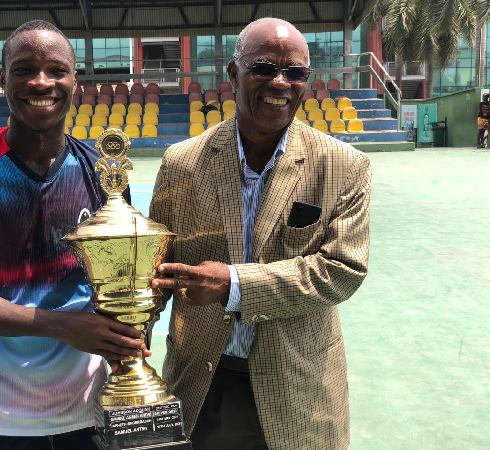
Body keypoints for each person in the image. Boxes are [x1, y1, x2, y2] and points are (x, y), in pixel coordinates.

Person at [0, 20, 149, 450]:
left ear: (75, 81)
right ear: (2, 78)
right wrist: (64, 326)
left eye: (56, 70)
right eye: (24, 69)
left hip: (90, 414)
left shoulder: (106, 173)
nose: (41, 82)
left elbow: (118, 288)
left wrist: (132, 337)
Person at [149, 17, 371, 450]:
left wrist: (233, 285)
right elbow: (157, 267)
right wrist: (129, 329)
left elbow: (342, 269)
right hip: (200, 382)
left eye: (295, 73)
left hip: (300, 386)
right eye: (264, 67)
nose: (280, 83)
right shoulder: (182, 162)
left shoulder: (345, 165)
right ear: (233, 74)